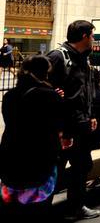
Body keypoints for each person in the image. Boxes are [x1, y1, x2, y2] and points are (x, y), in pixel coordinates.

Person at [47, 20, 100, 220]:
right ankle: (42, 208)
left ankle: (76, 207)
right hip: (63, 127)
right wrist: (60, 130)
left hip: (80, 123)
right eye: (92, 36)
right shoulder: (58, 57)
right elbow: (45, 89)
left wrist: (91, 114)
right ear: (84, 36)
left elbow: (86, 89)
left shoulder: (83, 58)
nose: (93, 40)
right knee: (55, 169)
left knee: (82, 166)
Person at [0, 55, 64, 219]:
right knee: (39, 206)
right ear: (45, 73)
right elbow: (58, 126)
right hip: (40, 159)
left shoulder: (9, 96)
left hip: (11, 157)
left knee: (12, 206)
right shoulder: (50, 96)